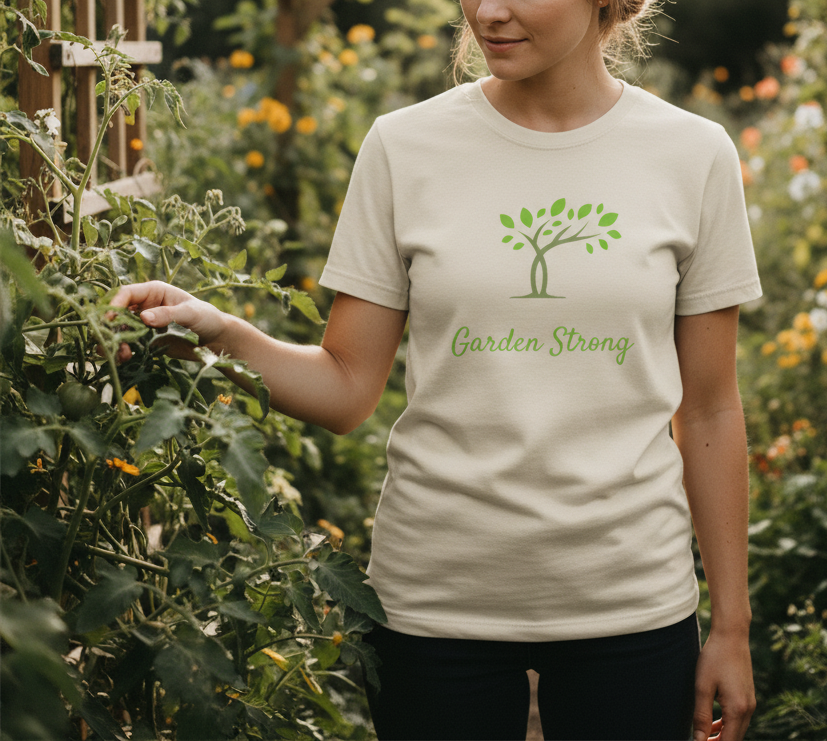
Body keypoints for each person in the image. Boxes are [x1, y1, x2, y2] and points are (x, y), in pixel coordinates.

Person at [112, 0, 761, 738]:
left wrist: (731, 627)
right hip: (434, 604)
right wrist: (217, 334)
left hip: (629, 600)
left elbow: (708, 409)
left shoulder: (693, 155)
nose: (487, 10)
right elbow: (347, 385)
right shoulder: (404, 147)